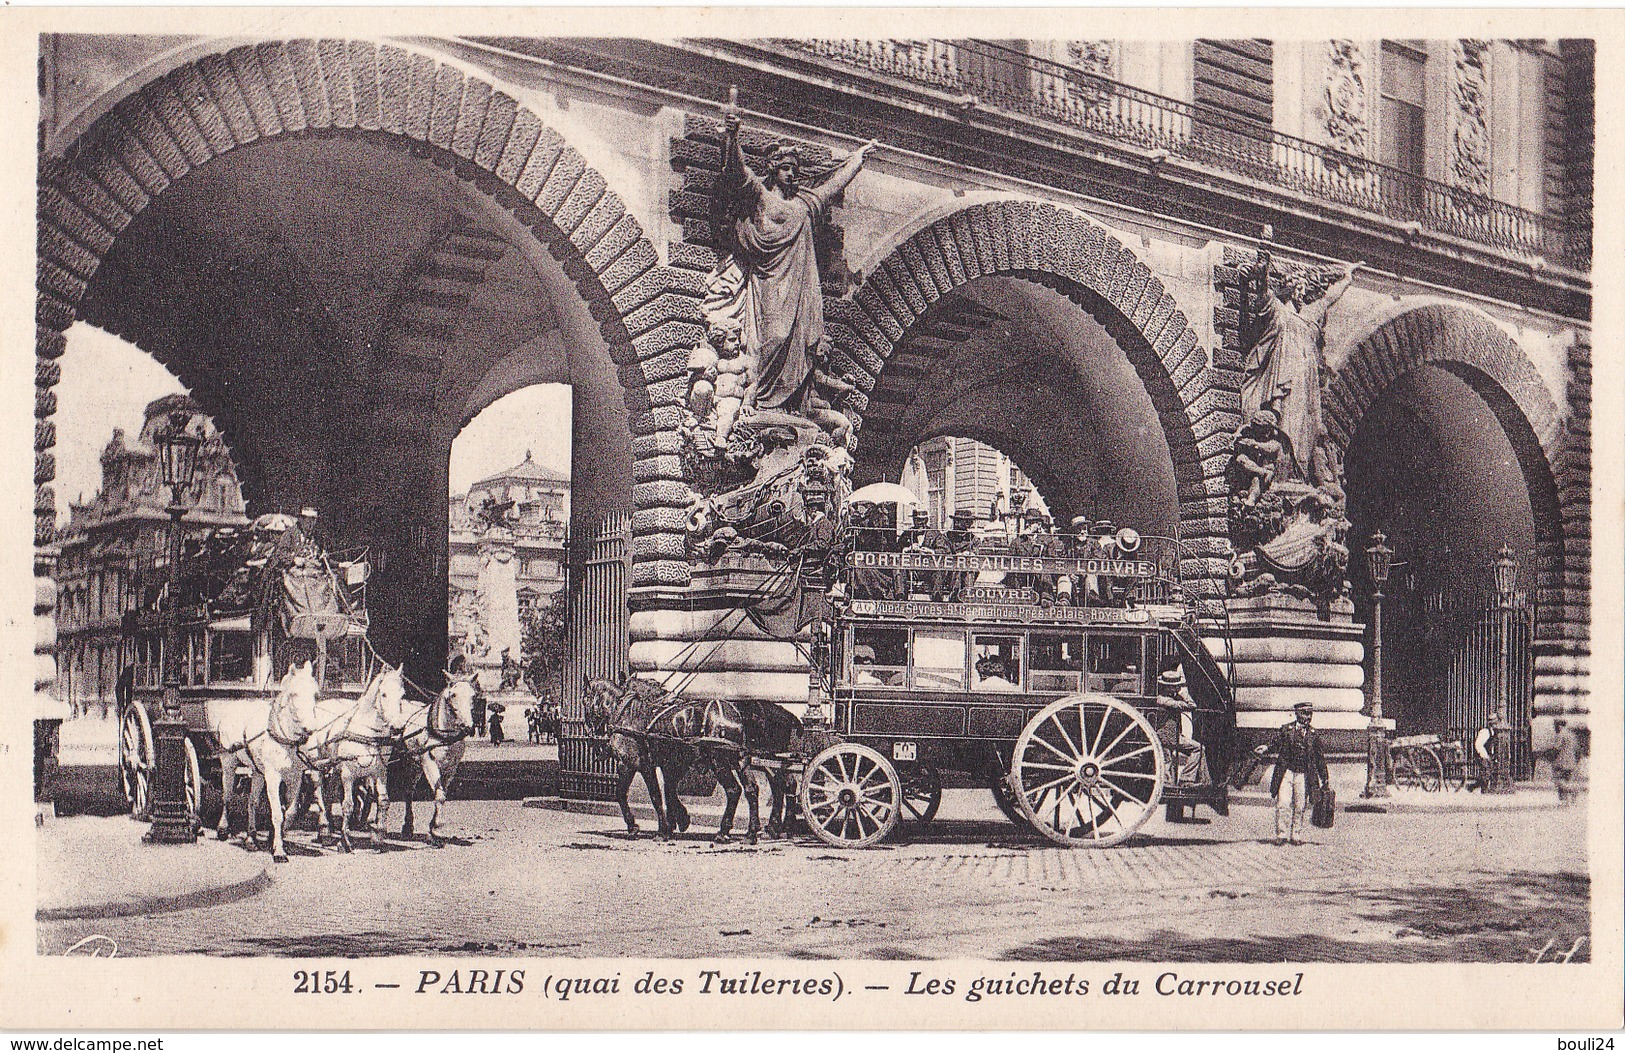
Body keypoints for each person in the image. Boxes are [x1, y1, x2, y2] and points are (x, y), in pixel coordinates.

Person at [719, 108, 878, 412]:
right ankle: (760, 401)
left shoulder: (804, 205)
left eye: (794, 169)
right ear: (773, 169)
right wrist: (732, 136)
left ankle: (788, 406)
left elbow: (832, 187)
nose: (791, 174)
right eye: (785, 168)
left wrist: (858, 160)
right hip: (769, 283)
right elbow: (736, 172)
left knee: (796, 343)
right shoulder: (761, 197)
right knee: (774, 337)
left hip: (800, 291)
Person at [1239, 255, 1362, 481]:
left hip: (1306, 382)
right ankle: (1282, 472)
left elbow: (1328, 298)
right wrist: (1262, 272)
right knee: (1285, 420)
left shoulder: (1310, 315)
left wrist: (1346, 277)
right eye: (1294, 287)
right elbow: (1264, 296)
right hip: (1284, 377)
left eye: (1299, 288)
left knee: (1308, 426)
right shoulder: (1278, 311)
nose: (1298, 292)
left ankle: (1301, 474)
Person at [1254, 700, 1329, 845]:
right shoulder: (1286, 730)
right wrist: (1266, 748)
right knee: (1283, 803)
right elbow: (1275, 743)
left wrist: (1325, 777)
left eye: (1310, 714)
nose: (1308, 717)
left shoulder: (1314, 735)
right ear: (1297, 714)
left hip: (1303, 775)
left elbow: (1320, 758)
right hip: (1286, 772)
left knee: (1300, 805)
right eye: (1305, 714)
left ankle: (1296, 835)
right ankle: (1281, 834)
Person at [1154, 667, 1209, 787]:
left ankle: (1196, 780)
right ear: (1167, 687)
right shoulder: (1163, 700)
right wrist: (1184, 693)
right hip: (1166, 737)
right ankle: (1185, 780)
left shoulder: (1171, 698)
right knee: (1197, 749)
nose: (1177, 688)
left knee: (1198, 749)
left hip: (1173, 736)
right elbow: (1191, 705)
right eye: (1175, 686)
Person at [1551, 720, 1581, 804]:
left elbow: (1556, 749)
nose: (1555, 728)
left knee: (1559, 780)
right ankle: (1566, 801)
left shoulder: (1560, 735)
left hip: (1561, 761)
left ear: (1559, 725)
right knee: (1567, 780)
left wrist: (1550, 757)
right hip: (1571, 761)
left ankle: (1572, 791)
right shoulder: (1572, 735)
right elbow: (1577, 749)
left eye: (1556, 726)